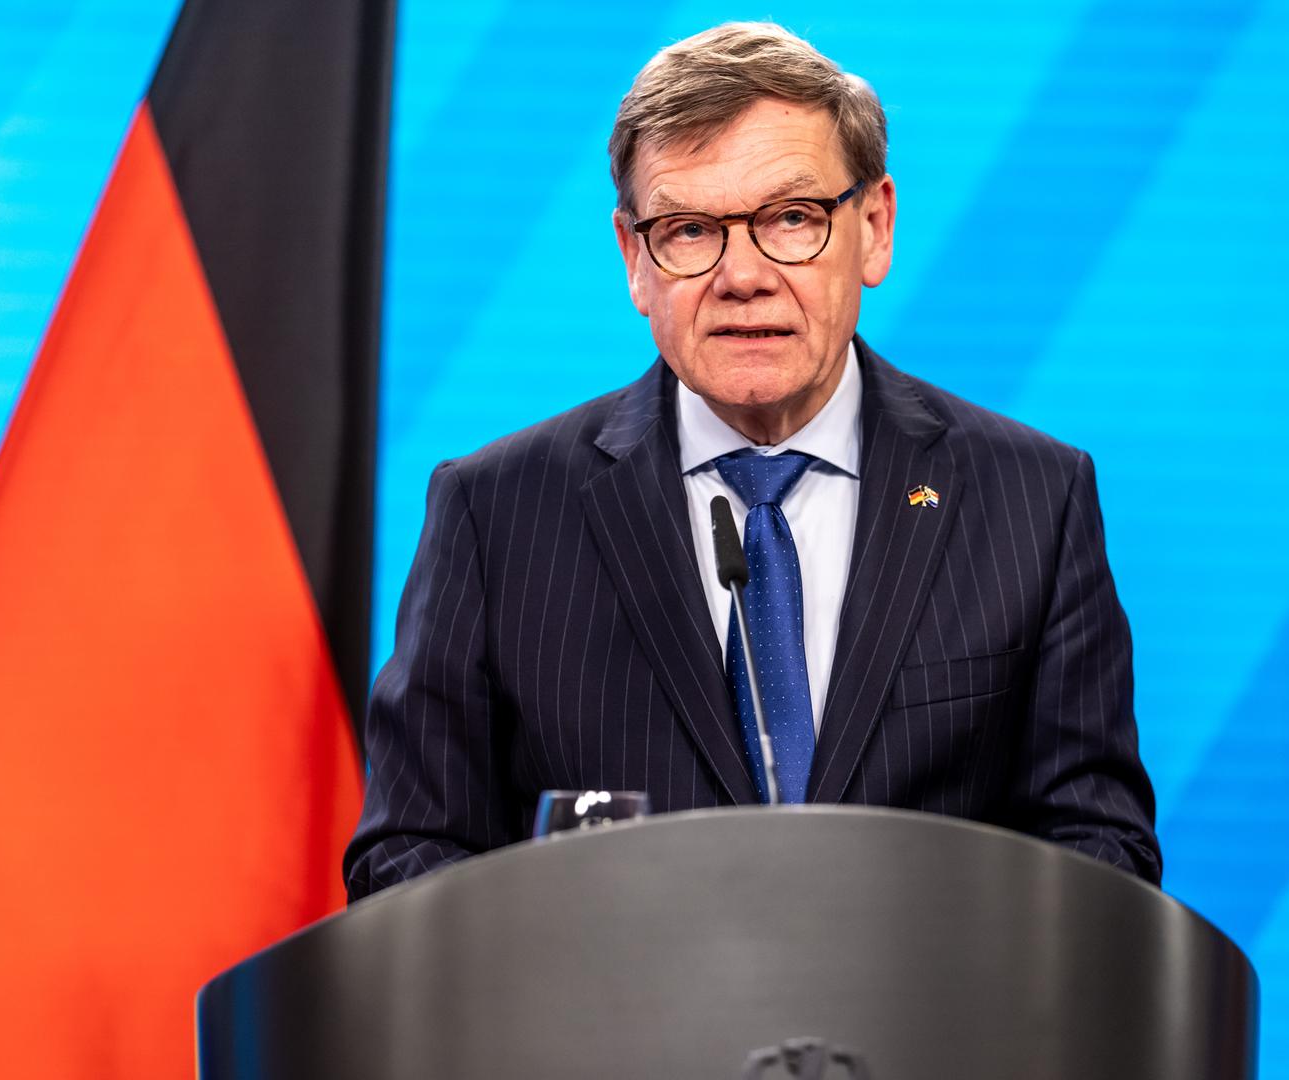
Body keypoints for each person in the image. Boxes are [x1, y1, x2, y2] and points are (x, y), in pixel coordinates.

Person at [344, 22, 1159, 899]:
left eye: (791, 218)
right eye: (690, 230)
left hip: (928, 1030)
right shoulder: (496, 513)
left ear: (875, 228)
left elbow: (1098, 850)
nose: (743, 275)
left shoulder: (1030, 501)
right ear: (635, 259)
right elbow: (410, 856)